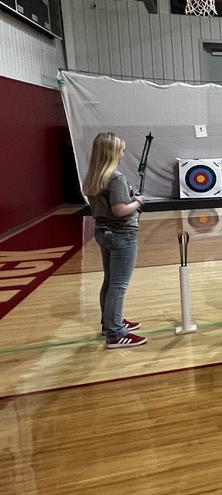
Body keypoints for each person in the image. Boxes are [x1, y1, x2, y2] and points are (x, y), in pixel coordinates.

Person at [82, 132, 147, 348]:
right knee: (118, 285)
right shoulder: (115, 178)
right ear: (111, 153)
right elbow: (120, 210)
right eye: (121, 150)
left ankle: (110, 322)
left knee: (110, 281)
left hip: (104, 233)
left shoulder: (94, 177)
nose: (123, 155)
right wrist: (137, 201)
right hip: (121, 234)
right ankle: (116, 333)